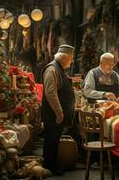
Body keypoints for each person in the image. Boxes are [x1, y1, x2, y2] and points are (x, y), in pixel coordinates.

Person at [41, 44, 75, 175]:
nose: (72, 61)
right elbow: (50, 93)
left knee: (54, 141)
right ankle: (49, 167)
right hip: (53, 115)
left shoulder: (58, 68)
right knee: (51, 140)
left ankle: (52, 165)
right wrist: (59, 112)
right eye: (71, 58)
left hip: (56, 115)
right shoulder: (52, 69)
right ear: (65, 57)